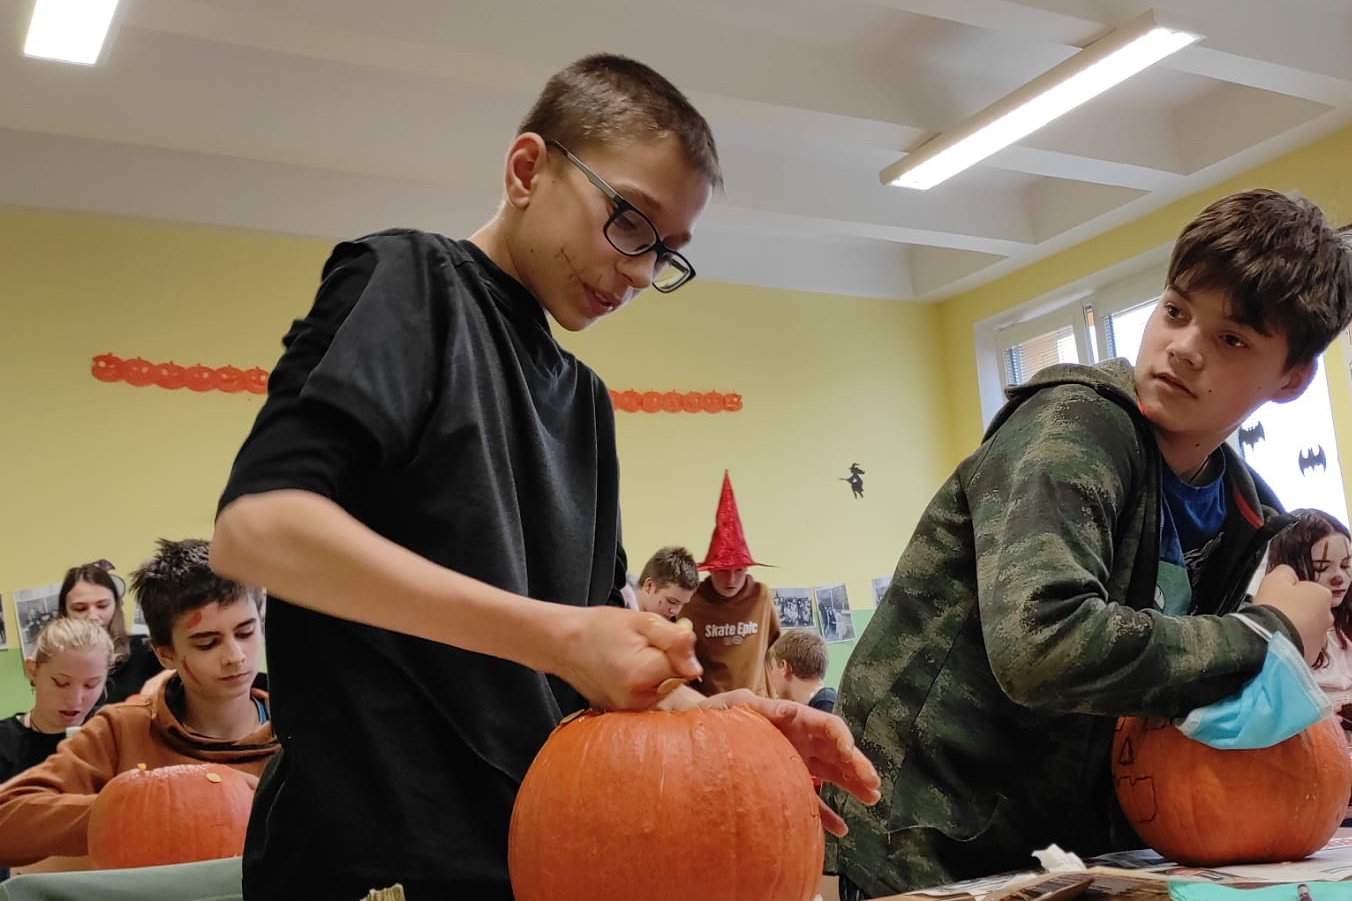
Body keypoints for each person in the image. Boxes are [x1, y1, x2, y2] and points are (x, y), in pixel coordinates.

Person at [208, 53, 879, 901]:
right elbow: (258, 527)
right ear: (528, 170)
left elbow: (582, 668)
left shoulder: (587, 404)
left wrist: (723, 732)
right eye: (628, 221)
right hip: (365, 856)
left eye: (666, 252)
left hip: (532, 855)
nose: (640, 273)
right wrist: (558, 636)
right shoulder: (413, 283)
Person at [827, 188, 1352, 899]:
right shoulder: (1073, 424)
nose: (1183, 348)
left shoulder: (1247, 513)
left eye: (1231, 340)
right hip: (924, 845)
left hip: (1069, 853)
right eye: (1176, 311)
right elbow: (1042, 645)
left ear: (1292, 378)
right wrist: (1267, 633)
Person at [0, 538, 277, 869]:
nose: (235, 657)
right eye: (207, 643)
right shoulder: (121, 730)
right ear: (165, 655)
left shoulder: (302, 730)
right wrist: (146, 807)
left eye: (246, 633)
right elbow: (7, 819)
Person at [681, 471, 782, 696]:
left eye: (738, 570)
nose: (731, 580)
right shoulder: (692, 602)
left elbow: (775, 645)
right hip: (709, 704)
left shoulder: (761, 596)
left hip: (756, 703)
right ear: (711, 570)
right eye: (723, 571)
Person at [1265, 508, 1352, 737]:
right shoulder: (1279, 637)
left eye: (1346, 565)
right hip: (1318, 742)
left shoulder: (1347, 624)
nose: (1339, 577)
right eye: (1321, 567)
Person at [0, 618, 114, 786]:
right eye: (61, 683)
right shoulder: (4, 743)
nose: (75, 700)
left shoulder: (113, 737)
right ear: (32, 671)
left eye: (91, 685)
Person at [57, 561, 162, 706]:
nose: (93, 616)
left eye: (102, 606)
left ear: (117, 606)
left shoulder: (146, 651)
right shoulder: (55, 661)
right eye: (80, 608)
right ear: (64, 612)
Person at [768, 628, 836, 712]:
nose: (771, 674)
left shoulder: (825, 704)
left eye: (772, 668)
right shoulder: (821, 702)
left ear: (784, 667)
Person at [624, 545, 700, 620]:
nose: (675, 612)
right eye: (671, 601)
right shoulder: (619, 604)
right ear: (649, 586)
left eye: (682, 604)